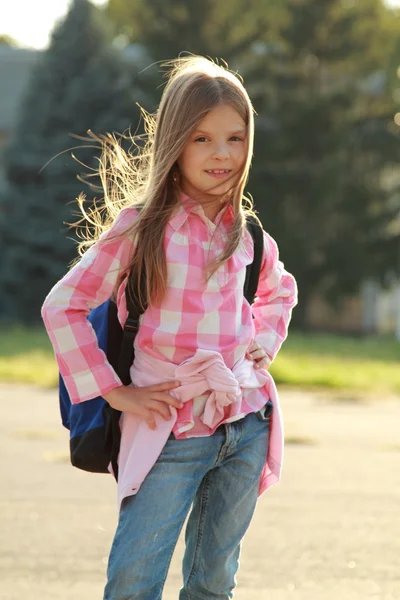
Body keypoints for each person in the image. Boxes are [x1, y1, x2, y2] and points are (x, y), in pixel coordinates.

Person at [42, 55, 298, 600]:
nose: (222, 153)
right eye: (202, 138)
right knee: (135, 582)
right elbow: (60, 307)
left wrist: (260, 347)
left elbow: (280, 291)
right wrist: (115, 393)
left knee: (214, 584)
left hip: (244, 424)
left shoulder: (247, 234)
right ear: (175, 141)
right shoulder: (141, 229)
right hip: (168, 431)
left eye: (235, 137)